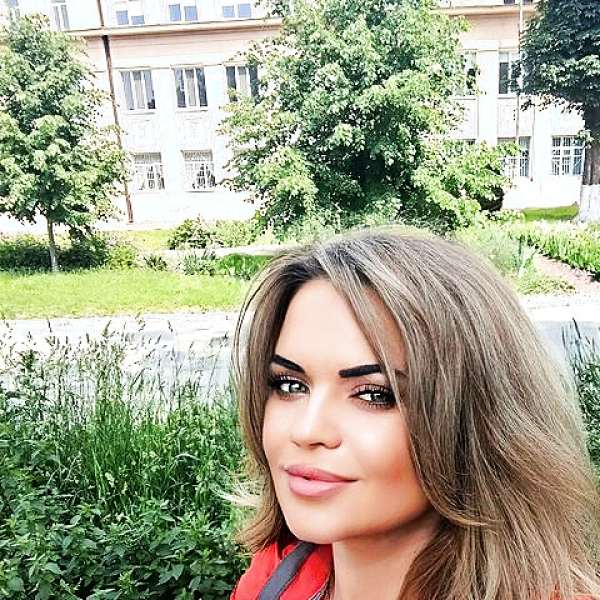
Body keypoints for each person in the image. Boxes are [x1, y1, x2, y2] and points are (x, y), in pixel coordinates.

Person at [227, 227, 600, 600]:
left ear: (474, 421)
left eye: (374, 394)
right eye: (290, 385)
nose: (307, 430)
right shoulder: (274, 579)